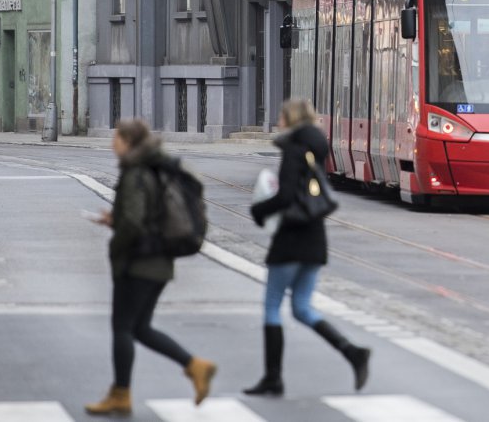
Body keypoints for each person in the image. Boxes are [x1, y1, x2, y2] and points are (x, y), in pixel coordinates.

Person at [86, 119, 216, 416]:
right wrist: (114, 219)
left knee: (122, 328)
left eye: (116, 137)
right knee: (140, 328)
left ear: (127, 141)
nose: (112, 143)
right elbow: (147, 215)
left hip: (139, 263)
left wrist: (116, 249)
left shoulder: (135, 171)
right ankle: (196, 367)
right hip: (159, 261)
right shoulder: (155, 166)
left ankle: (121, 394)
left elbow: (133, 221)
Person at [244, 99, 370, 396]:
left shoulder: (293, 149)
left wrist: (259, 210)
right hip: (315, 240)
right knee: (301, 308)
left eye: (281, 115)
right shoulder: (316, 149)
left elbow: (286, 196)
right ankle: (353, 352)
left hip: (291, 239)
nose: (278, 120)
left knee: (272, 307)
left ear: (290, 119)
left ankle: (273, 378)